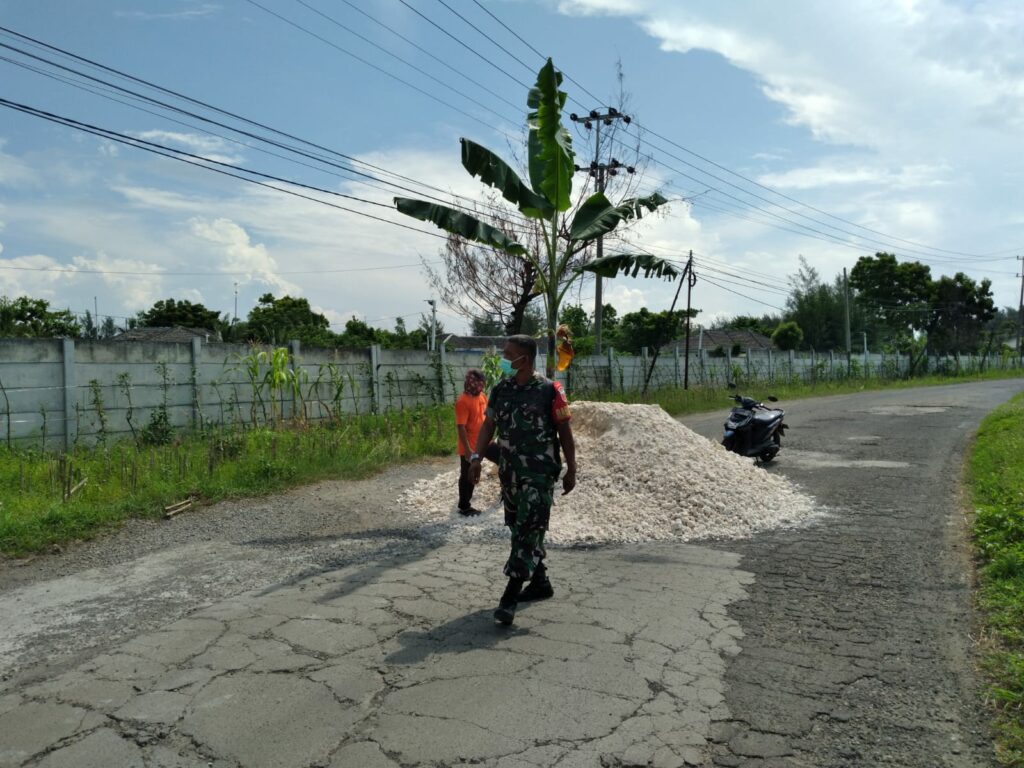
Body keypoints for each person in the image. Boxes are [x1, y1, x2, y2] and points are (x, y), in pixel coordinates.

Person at [469, 335, 576, 625]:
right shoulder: (501, 389)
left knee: (529, 528)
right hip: (510, 474)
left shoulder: (549, 390)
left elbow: (565, 431)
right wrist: (476, 458)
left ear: (524, 359)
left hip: (539, 474)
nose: (504, 358)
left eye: (508, 354)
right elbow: (488, 425)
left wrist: (572, 468)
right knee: (519, 529)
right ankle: (540, 583)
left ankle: (510, 597)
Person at [454, 368, 488, 516]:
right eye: (478, 384)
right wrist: (468, 450)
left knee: (501, 458)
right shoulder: (463, 401)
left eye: (482, 384)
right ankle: (464, 506)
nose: (480, 387)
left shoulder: (482, 397)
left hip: (483, 442)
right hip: (469, 446)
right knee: (467, 475)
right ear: (470, 384)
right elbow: (461, 427)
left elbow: (486, 419)